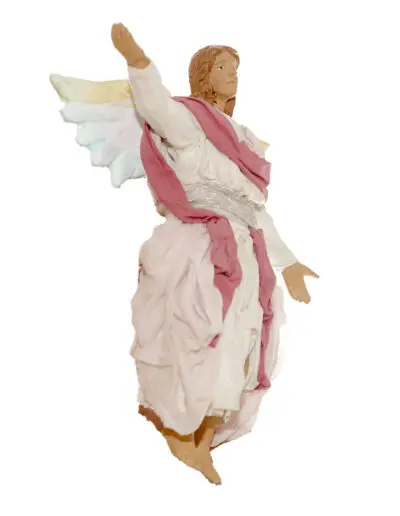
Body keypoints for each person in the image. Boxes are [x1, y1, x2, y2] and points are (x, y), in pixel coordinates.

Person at [111, 23, 318, 485]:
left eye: (235, 68)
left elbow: (254, 209)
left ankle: (202, 442)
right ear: (204, 75)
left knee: (237, 341)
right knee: (196, 331)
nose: (233, 75)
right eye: (223, 67)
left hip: (245, 253)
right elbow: (156, 106)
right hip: (198, 246)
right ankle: (178, 428)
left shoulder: (242, 139)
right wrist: (138, 62)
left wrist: (289, 263)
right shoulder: (189, 122)